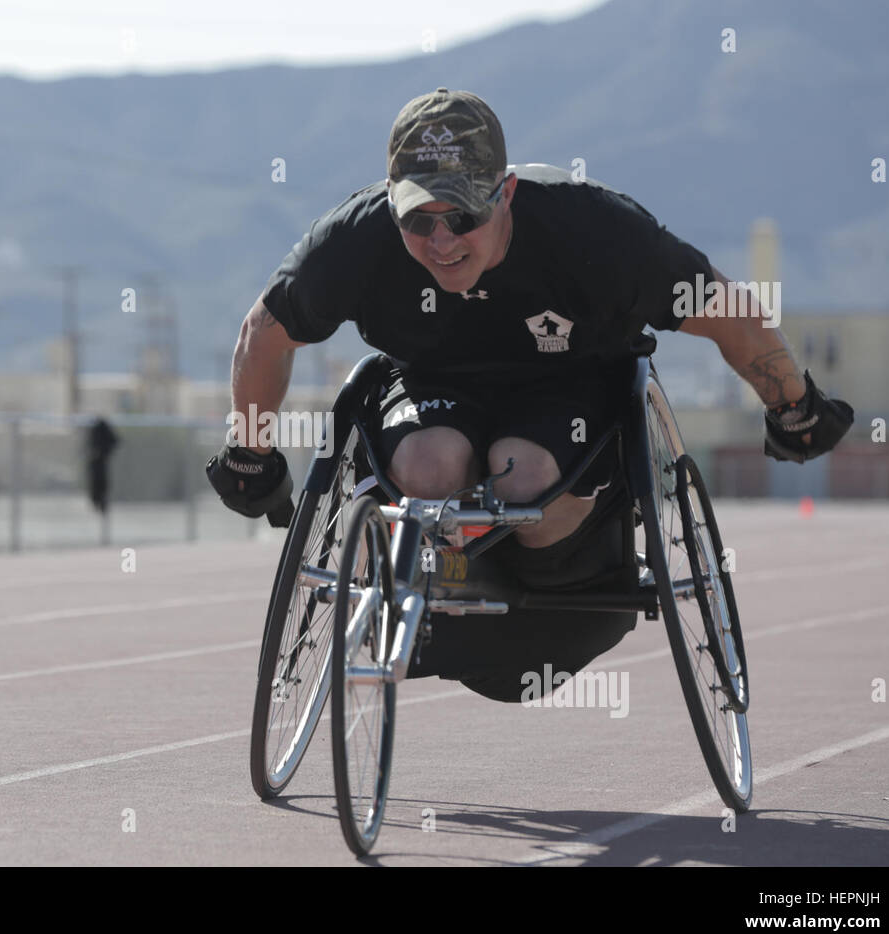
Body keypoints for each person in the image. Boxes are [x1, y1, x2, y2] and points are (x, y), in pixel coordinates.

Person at [206, 88, 853, 695]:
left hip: (570, 383)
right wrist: (251, 452)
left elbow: (723, 308)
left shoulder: (590, 229)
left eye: (462, 214)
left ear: (506, 191)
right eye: (417, 219)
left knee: (524, 477)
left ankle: (547, 580)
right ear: (390, 204)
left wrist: (793, 405)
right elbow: (265, 332)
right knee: (426, 466)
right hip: (433, 383)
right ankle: (434, 584)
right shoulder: (358, 239)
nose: (441, 240)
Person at [85, 417, 119, 514]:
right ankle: (100, 503)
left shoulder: (99, 433)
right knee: (100, 484)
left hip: (100, 465)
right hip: (98, 465)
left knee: (101, 484)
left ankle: (100, 504)